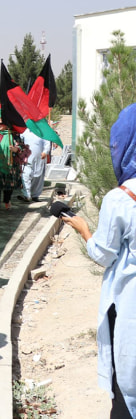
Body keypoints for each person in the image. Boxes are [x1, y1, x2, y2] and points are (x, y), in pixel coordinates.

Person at [64, 103, 136, 418]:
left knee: (126, 379)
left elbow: (103, 255)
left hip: (128, 305)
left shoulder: (121, 198)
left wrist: (83, 230)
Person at [17, 128, 50, 202]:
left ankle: (35, 195)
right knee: (25, 176)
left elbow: (47, 143)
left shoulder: (42, 131)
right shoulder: (24, 132)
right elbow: (19, 142)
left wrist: (45, 152)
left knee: (38, 178)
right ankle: (27, 195)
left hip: (39, 159)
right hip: (26, 158)